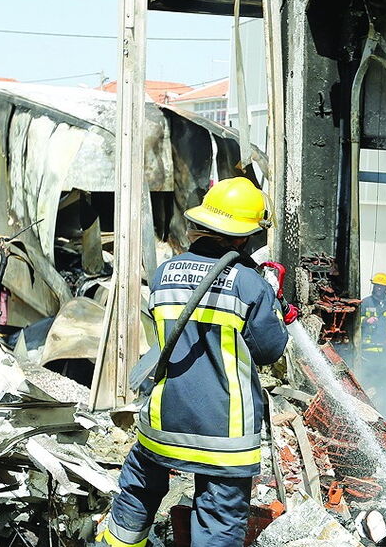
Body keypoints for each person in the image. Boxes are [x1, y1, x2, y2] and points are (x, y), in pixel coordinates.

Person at [100, 177, 290, 547]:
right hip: (224, 433)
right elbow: (269, 351)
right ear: (243, 237)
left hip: (165, 421)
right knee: (218, 519)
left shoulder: (163, 274)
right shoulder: (250, 284)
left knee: (138, 492)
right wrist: (271, 301)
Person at [358, 272, 386, 361]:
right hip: (367, 347)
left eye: (382, 286)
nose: (379, 288)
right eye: (377, 286)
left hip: (385, 349)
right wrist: (366, 320)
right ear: (374, 286)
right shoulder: (365, 302)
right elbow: (356, 320)